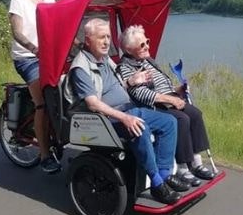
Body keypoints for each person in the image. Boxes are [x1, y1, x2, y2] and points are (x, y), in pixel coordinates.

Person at [63, 18, 190, 205]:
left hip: (128, 109)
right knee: (140, 127)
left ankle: (164, 176)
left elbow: (117, 85)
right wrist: (125, 117)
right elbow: (93, 104)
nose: (107, 42)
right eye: (101, 38)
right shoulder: (81, 68)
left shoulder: (105, 60)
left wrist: (132, 82)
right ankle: (156, 183)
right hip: (104, 119)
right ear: (88, 40)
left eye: (108, 37)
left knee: (169, 122)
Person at [117, 25, 215, 187]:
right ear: (128, 49)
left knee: (196, 114)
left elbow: (164, 84)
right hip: (154, 105)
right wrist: (170, 100)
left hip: (169, 98)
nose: (147, 46)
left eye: (147, 41)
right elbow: (140, 94)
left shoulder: (149, 61)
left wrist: (178, 90)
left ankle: (196, 162)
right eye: (142, 44)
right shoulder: (126, 68)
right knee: (181, 119)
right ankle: (183, 168)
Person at [8, 0, 61, 174]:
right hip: (27, 59)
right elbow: (17, 32)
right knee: (43, 103)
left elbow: (59, 28)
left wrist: (81, 44)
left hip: (49, 56)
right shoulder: (18, 0)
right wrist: (33, 48)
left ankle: (58, 134)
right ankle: (45, 155)